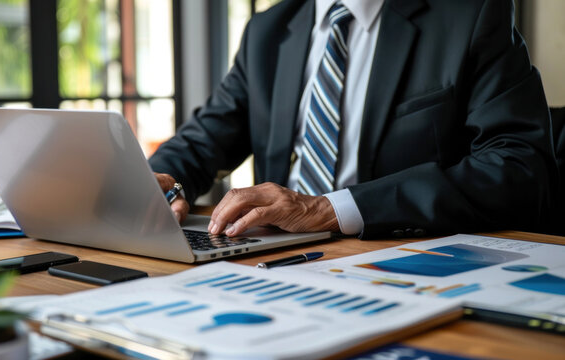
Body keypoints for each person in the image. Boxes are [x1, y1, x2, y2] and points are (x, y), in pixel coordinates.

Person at [149, 0, 556, 240]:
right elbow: (201, 142)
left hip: (397, 264)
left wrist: (332, 208)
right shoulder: (268, 31)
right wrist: (162, 185)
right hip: (273, 265)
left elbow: (519, 168)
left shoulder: (470, 15)